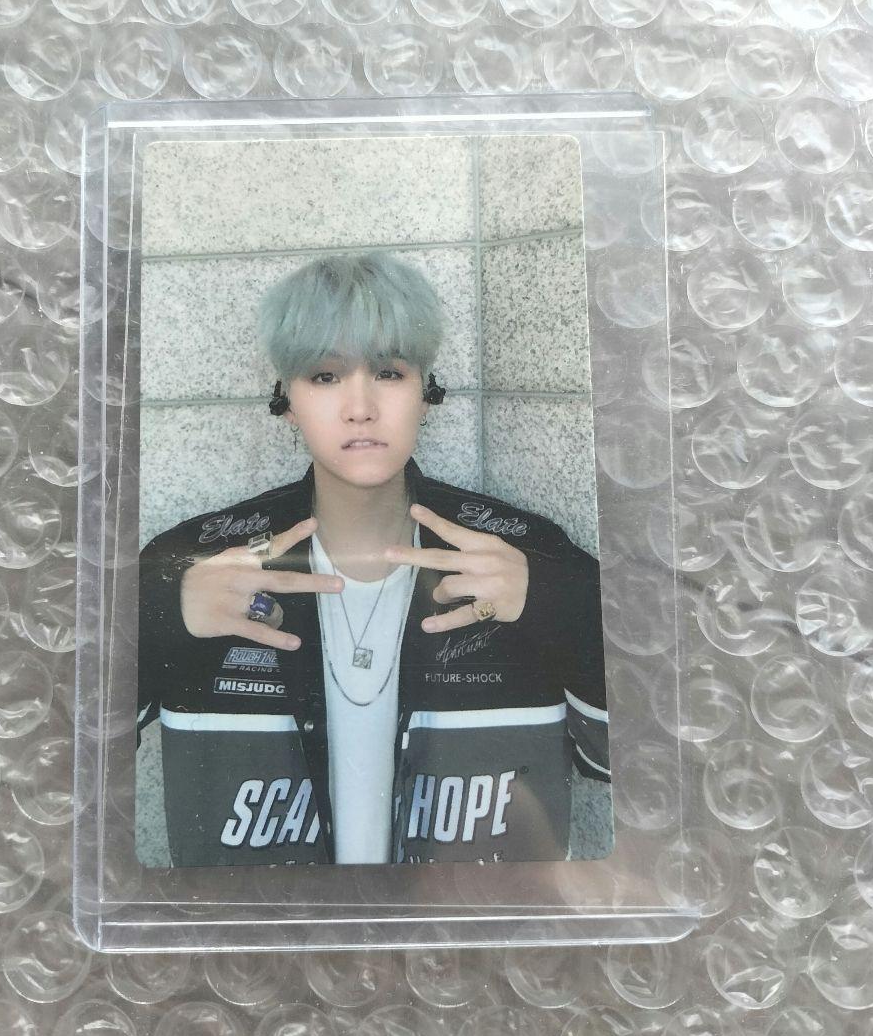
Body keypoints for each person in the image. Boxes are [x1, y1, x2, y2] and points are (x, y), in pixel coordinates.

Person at [137, 251, 609, 868]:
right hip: (268, 929)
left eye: (388, 372)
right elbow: (62, 758)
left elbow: (626, 760)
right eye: (324, 376)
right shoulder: (202, 565)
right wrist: (161, 612)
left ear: (425, 391)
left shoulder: (522, 555)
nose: (360, 407)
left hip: (472, 928)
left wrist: (557, 601)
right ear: (286, 399)